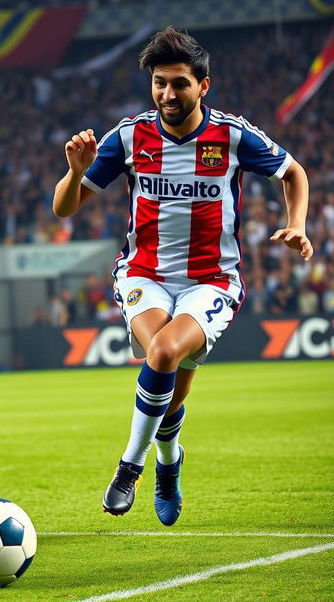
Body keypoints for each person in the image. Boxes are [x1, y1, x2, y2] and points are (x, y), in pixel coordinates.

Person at [53, 27, 312, 526]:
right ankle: (137, 467)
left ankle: (164, 460)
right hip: (143, 274)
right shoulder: (128, 137)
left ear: (203, 86)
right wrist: (73, 170)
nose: (168, 94)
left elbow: (294, 172)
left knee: (169, 377)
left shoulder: (232, 135)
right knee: (164, 354)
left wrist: (297, 224)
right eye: (159, 84)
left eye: (179, 84)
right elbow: (64, 209)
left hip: (212, 281)